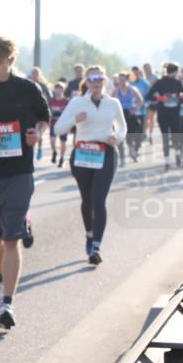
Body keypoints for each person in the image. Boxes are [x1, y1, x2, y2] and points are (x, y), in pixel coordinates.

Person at [0, 37, 50, 329]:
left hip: (18, 171)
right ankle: (2, 275)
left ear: (11, 61)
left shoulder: (27, 88)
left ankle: (7, 305)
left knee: (11, 237)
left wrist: (38, 133)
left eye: (0, 63)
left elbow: (44, 118)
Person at [54, 65, 127, 265]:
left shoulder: (113, 103)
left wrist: (117, 137)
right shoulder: (77, 102)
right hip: (83, 155)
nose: (96, 83)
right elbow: (59, 127)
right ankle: (89, 233)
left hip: (106, 153)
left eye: (100, 79)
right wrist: (74, 120)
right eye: (92, 79)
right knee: (87, 200)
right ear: (87, 82)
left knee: (98, 200)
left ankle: (96, 246)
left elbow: (122, 126)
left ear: (104, 81)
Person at [144, 61, 183, 170]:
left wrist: (180, 97)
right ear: (174, 71)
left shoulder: (178, 83)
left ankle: (178, 155)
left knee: (176, 136)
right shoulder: (160, 83)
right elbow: (148, 96)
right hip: (163, 113)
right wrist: (160, 98)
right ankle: (166, 161)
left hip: (175, 113)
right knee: (165, 137)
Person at [112, 72, 145, 164]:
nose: (122, 82)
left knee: (132, 135)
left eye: (123, 80)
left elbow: (141, 100)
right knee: (120, 136)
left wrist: (135, 108)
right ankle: (122, 157)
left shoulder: (132, 89)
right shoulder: (116, 90)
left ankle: (132, 151)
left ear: (127, 80)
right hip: (119, 115)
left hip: (130, 114)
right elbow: (110, 102)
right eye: (120, 80)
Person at [29, 67, 51, 161]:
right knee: (31, 131)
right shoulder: (28, 84)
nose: (34, 75)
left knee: (39, 132)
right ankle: (31, 150)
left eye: (36, 73)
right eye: (33, 73)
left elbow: (49, 97)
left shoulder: (43, 85)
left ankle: (40, 149)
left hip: (39, 111)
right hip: (30, 111)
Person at [48, 81, 71, 167]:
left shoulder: (66, 101)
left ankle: (62, 158)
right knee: (52, 141)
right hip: (53, 123)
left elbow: (69, 113)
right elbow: (48, 112)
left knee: (63, 142)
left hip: (63, 125)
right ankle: (54, 152)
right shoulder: (51, 101)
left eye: (60, 88)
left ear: (63, 90)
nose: (58, 90)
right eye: (57, 88)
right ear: (54, 90)